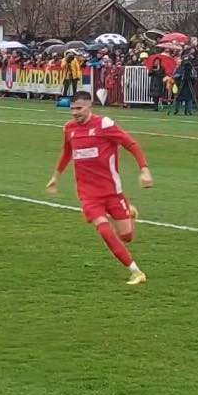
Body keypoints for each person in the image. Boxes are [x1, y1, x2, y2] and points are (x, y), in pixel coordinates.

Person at [45, 91, 153, 286]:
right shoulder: (69, 129)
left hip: (112, 191)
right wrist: (55, 177)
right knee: (104, 230)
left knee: (126, 236)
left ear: (89, 106)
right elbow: (66, 153)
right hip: (88, 194)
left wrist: (144, 170)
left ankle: (129, 211)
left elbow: (131, 144)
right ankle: (136, 272)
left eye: (79, 108)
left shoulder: (104, 124)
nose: (74, 113)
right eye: (72, 109)